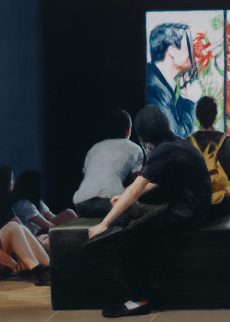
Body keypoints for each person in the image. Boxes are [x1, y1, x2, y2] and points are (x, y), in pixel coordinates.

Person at [86, 106, 211, 318]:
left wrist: (103, 224)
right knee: (131, 213)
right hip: (195, 207)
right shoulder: (178, 143)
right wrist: (126, 196)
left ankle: (139, 299)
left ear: (143, 134)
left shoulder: (163, 150)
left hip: (188, 213)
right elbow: (156, 179)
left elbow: (137, 188)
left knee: (128, 238)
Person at [73, 109, 144, 218]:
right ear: (129, 130)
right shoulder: (135, 149)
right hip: (107, 204)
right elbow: (134, 187)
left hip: (82, 204)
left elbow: (87, 177)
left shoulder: (95, 148)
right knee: (140, 210)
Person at [189, 96, 230, 222]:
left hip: (196, 206)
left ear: (197, 115)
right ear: (216, 115)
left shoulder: (187, 143)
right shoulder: (228, 142)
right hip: (222, 205)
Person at [146, 23, 199, 138]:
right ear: (172, 51)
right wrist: (190, 102)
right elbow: (175, 137)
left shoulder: (159, 82)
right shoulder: (156, 91)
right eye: (188, 47)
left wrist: (184, 100)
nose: (193, 54)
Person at [0, 166, 50, 251]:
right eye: (11, 179)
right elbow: (21, 228)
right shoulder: (4, 205)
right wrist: (39, 242)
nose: (14, 182)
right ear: (4, 182)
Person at [12, 170, 77, 236]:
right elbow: (46, 225)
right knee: (69, 215)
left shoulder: (38, 201)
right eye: (39, 184)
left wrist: (66, 220)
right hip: (34, 235)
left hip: (43, 229)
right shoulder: (24, 204)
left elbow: (52, 217)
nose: (42, 187)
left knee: (69, 213)